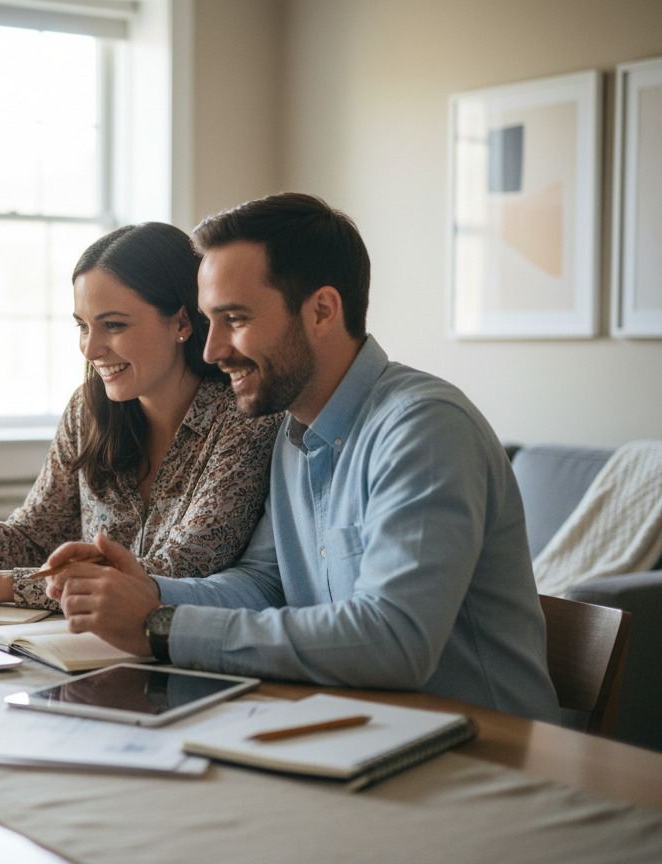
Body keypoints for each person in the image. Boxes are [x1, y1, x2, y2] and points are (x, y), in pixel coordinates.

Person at [44, 193, 559, 722]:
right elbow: (266, 583)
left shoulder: (424, 428)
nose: (211, 350)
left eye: (234, 319)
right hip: (354, 728)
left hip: (483, 755)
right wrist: (147, 592)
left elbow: (394, 640)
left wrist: (162, 626)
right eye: (208, 321)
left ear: (321, 311)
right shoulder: (293, 432)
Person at [0, 222, 283, 611]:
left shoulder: (245, 415)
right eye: (82, 325)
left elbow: (176, 571)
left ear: (182, 321)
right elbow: (33, 542)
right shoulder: (88, 409)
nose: (91, 350)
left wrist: (3, 587)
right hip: (84, 644)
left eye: (113, 325)